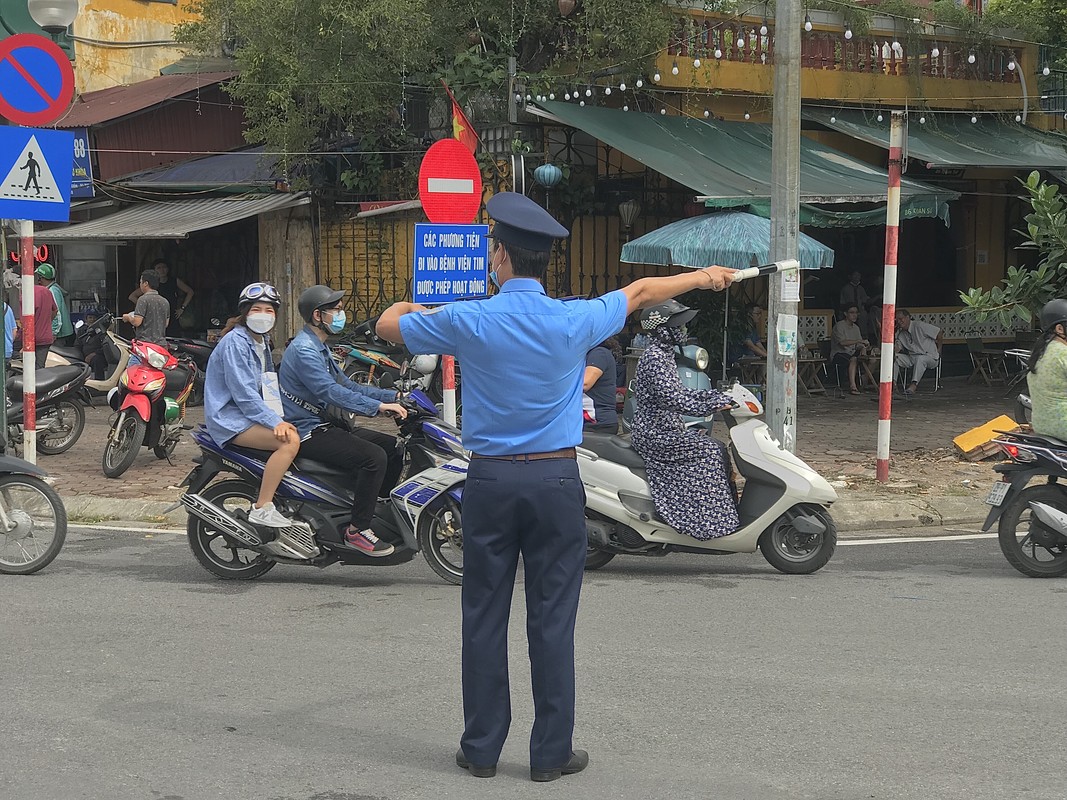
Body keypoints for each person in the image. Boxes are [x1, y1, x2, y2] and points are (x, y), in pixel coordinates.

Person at [376, 191, 735, 783]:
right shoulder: (575, 318)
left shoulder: (471, 318)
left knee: (484, 614)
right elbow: (643, 292)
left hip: (489, 480)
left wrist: (414, 303)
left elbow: (392, 325)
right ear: (544, 262)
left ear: (500, 258)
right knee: (552, 617)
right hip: (556, 478)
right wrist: (704, 275)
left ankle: (483, 749)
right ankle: (550, 755)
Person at [279, 285, 409, 557]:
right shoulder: (304, 350)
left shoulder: (319, 348)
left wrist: (394, 395)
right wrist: (377, 407)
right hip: (308, 430)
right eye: (335, 310)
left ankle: (372, 513)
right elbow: (330, 392)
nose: (341, 314)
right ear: (318, 315)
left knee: (393, 447)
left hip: (326, 425)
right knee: (373, 457)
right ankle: (357, 531)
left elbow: (349, 386)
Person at [630, 300, 739, 540]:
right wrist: (711, 405)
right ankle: (706, 522)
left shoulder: (666, 354)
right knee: (710, 450)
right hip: (655, 435)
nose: (683, 331)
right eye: (677, 326)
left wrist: (716, 396)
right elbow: (672, 399)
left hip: (668, 430)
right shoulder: (656, 358)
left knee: (718, 448)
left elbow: (683, 392)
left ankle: (719, 516)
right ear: (662, 329)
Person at [203, 282, 300, 529]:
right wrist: (275, 422)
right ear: (245, 312)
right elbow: (245, 395)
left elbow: (267, 385)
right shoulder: (236, 342)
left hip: (249, 415)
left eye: (269, 311)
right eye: (257, 309)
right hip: (231, 419)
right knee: (289, 442)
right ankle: (262, 507)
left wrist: (283, 416)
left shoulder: (261, 341)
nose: (264, 316)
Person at [1026, 299, 1067, 441]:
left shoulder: (1040, 352)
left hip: (1041, 426)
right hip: (1063, 427)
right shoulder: (1063, 353)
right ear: (1060, 329)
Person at [130, 258, 194, 336]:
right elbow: (132, 296)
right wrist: (145, 307)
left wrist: (182, 308)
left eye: (164, 267)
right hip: (155, 315)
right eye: (159, 268)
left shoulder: (174, 281)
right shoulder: (152, 284)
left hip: (172, 315)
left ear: (168, 269)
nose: (162, 270)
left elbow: (190, 292)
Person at [894, 309, 942, 395]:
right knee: (894, 357)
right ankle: (893, 383)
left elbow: (939, 332)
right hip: (912, 358)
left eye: (901, 318)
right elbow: (897, 349)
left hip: (930, 357)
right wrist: (892, 334)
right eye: (897, 320)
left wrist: (939, 348)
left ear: (908, 317)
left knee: (921, 359)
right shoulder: (901, 334)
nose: (899, 321)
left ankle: (913, 385)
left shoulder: (919, 326)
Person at [582, 337, 621, 433]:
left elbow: (585, 384)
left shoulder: (599, 353)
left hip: (597, 422)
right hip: (587, 421)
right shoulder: (588, 355)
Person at [122, 270, 170, 346]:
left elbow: (137, 322)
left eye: (141, 282)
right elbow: (166, 324)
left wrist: (128, 317)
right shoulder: (165, 301)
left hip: (145, 346)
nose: (140, 284)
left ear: (146, 284)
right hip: (161, 345)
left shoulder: (143, 299)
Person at [830, 304, 869, 395]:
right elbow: (842, 343)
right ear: (845, 314)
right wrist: (858, 341)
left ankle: (865, 379)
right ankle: (853, 386)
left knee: (873, 359)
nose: (854, 315)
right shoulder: (839, 326)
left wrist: (863, 346)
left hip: (852, 352)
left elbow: (858, 344)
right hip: (839, 353)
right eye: (852, 313)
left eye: (856, 313)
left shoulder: (856, 328)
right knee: (853, 359)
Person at [35, 264, 74, 346]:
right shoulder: (53, 289)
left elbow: (57, 313)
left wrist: (53, 333)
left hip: (59, 335)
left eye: (39, 277)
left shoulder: (52, 291)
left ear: (42, 277)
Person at [27, 269, 58, 365]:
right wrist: (46, 322)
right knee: (40, 368)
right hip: (45, 337)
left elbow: (26, 320)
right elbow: (55, 310)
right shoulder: (47, 291)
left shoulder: (27, 293)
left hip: (32, 337)